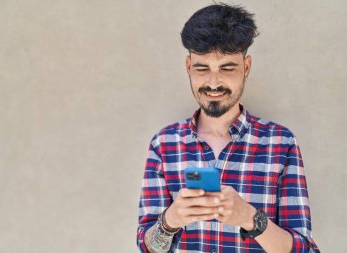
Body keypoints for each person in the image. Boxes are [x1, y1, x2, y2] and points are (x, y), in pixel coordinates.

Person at [137, 3, 320, 253]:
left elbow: (306, 250)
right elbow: (146, 248)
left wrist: (250, 218)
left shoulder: (281, 143)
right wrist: (170, 221)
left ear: (246, 67)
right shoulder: (163, 144)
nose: (214, 82)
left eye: (227, 68)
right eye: (203, 68)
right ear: (188, 67)